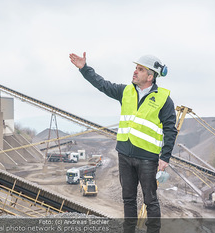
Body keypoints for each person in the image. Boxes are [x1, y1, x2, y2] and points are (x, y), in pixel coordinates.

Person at [69, 52, 177, 233]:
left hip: (147, 158)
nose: (135, 72)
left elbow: (170, 130)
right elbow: (102, 84)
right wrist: (84, 69)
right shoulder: (126, 91)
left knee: (150, 200)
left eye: (140, 69)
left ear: (150, 76)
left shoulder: (164, 99)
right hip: (125, 155)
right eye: (135, 68)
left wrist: (164, 157)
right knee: (128, 198)